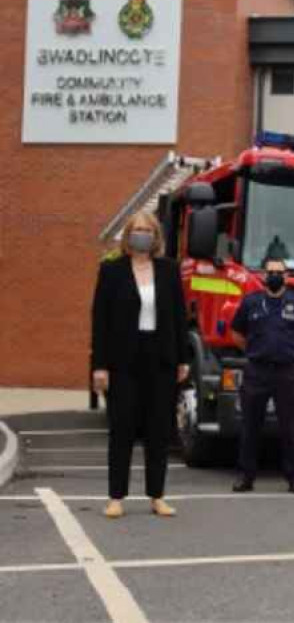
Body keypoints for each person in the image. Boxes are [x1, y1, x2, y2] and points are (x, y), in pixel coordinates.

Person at [90, 211, 190, 519]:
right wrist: (100, 366)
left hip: (160, 358)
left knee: (158, 430)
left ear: (156, 236)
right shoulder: (111, 271)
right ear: (128, 235)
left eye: (148, 230)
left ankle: (157, 496)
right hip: (123, 360)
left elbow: (178, 317)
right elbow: (100, 321)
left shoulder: (169, 270)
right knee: (122, 429)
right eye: (137, 229)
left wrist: (183, 358)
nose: (142, 234)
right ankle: (116, 497)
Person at [231, 256, 294, 494]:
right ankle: (245, 477)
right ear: (263, 275)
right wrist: (254, 350)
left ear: (287, 276)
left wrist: (293, 354)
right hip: (257, 370)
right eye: (270, 271)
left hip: (287, 372)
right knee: (250, 427)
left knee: (291, 428)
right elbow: (236, 334)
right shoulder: (251, 302)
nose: (274, 275)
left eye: (279, 272)